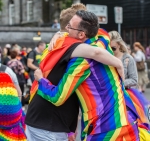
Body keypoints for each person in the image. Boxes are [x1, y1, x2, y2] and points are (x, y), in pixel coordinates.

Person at [34, 10, 139, 140]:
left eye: (69, 27)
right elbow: (101, 35)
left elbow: (58, 97)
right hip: (128, 120)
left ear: (81, 34)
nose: (66, 29)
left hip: (106, 130)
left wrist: (41, 80)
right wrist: (59, 34)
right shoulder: (103, 41)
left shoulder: (81, 62)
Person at [109, 31, 150, 140]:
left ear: (119, 44)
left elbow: (134, 80)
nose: (111, 51)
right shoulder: (106, 57)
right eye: (108, 48)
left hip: (126, 97)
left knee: (128, 124)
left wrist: (118, 84)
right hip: (110, 96)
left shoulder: (127, 59)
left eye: (113, 48)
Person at [0, 47, 26, 141]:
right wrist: (18, 108)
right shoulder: (7, 71)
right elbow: (18, 91)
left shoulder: (7, 67)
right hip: (11, 119)